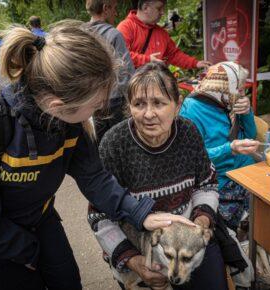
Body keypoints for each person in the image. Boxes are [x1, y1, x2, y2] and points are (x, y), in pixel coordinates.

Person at [0, 23, 184, 290]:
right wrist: (27, 251)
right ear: (57, 106)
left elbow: (94, 177)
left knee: (69, 282)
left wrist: (142, 214)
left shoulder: (68, 119)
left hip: (39, 218)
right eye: (96, 106)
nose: (101, 112)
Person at [88, 62, 227, 290]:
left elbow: (207, 184)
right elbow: (98, 215)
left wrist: (200, 224)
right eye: (139, 104)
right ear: (129, 106)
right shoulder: (115, 144)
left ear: (177, 105)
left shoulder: (189, 133)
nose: (148, 114)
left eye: (159, 103)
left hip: (189, 235)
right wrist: (134, 261)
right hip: (136, 240)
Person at [180, 62, 259, 230]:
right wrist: (230, 148)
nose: (242, 94)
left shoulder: (226, 102)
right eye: (239, 89)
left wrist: (247, 113)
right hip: (219, 179)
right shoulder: (190, 111)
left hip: (243, 170)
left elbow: (250, 135)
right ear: (225, 86)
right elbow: (192, 158)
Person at [85, 0, 136, 141]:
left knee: (100, 142)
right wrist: (133, 99)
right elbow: (126, 72)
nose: (116, 13)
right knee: (121, 140)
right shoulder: (113, 34)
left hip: (91, 101)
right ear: (105, 8)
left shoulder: (81, 33)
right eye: (114, 8)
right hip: (114, 101)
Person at [117, 0, 211, 69]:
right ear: (145, 8)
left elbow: (174, 55)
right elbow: (120, 56)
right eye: (159, 8)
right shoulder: (126, 27)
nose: (162, 13)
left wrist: (196, 63)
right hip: (131, 89)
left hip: (154, 87)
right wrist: (148, 60)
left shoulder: (161, 33)